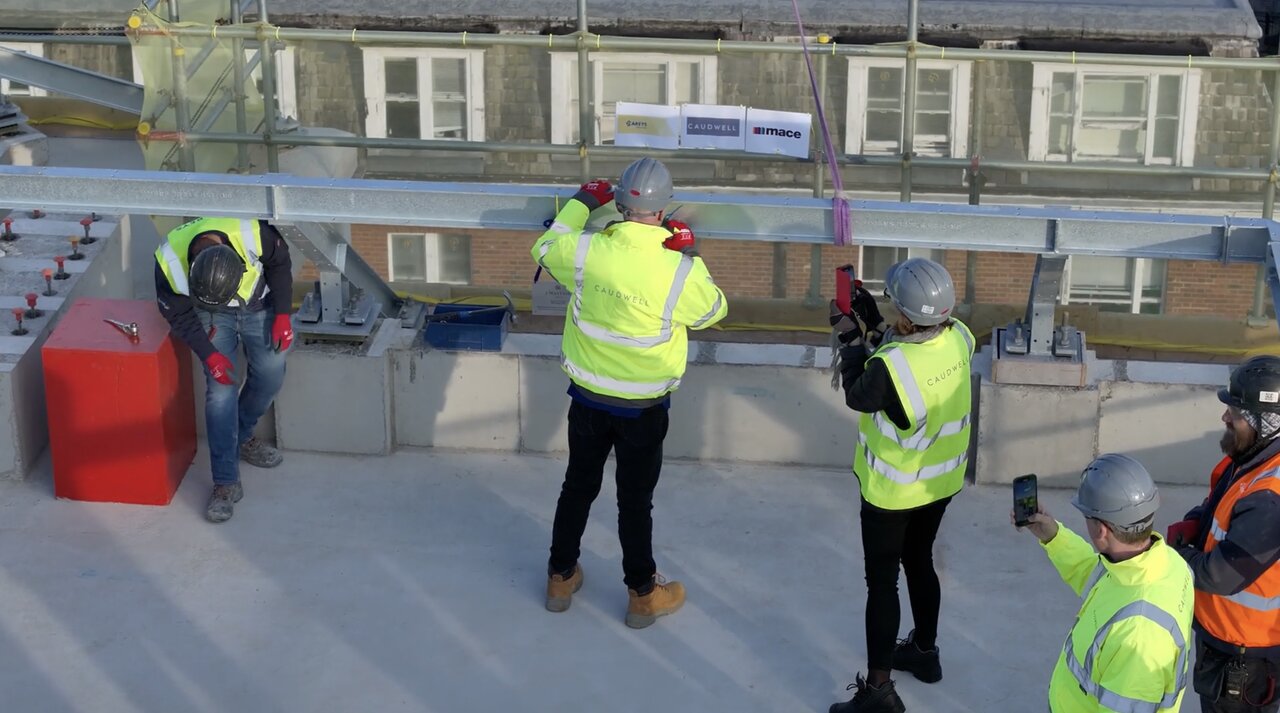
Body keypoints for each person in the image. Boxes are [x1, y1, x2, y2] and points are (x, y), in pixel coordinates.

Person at [531, 158, 728, 628]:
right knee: (634, 500)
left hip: (589, 399)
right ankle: (642, 594)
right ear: (663, 210)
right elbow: (713, 310)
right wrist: (689, 252)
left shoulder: (586, 251)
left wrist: (582, 202)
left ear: (618, 205)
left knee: (578, 486)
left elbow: (545, 246)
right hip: (642, 408)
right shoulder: (675, 269)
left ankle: (560, 577)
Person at [828, 258, 975, 713]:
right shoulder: (960, 336)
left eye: (894, 306)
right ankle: (925, 653)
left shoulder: (891, 367)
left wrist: (851, 341)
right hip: (940, 482)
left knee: (882, 583)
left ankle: (878, 693)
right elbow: (909, 350)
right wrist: (873, 322)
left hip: (893, 492)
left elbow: (859, 392)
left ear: (907, 317)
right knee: (920, 560)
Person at [1016, 453, 1193, 713]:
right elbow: (1095, 574)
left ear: (1101, 530)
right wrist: (1053, 536)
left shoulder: (1138, 635)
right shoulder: (1166, 564)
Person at [154, 217, 294, 523]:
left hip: (259, 306)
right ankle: (225, 483)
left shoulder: (254, 233)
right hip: (213, 315)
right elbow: (178, 315)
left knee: (271, 374)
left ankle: (241, 437)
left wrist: (283, 314)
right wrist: (209, 355)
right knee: (220, 393)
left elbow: (280, 265)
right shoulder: (167, 260)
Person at [1167, 355, 1280, 713]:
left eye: (1237, 411)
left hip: (1246, 663)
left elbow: (1220, 574)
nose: (1225, 417)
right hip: (1226, 643)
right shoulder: (1252, 461)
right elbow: (1219, 506)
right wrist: (1195, 524)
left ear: (1268, 422)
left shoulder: (1272, 497)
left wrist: (1164, 557)